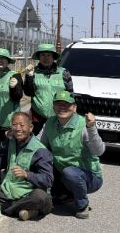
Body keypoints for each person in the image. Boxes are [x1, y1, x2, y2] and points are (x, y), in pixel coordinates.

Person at [39, 90, 104, 219]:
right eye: (58, 104)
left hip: (89, 177)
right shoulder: (50, 122)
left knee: (70, 173)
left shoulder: (83, 125)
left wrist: (91, 128)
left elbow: (99, 151)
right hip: (62, 171)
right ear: (53, 107)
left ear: (74, 108)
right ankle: (66, 194)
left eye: (66, 104)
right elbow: (39, 145)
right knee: (42, 160)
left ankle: (82, 205)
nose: (62, 107)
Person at [0, 112, 53, 221]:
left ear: (30, 127)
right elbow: (3, 163)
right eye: (14, 125)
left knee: (40, 197)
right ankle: (27, 211)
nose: (18, 128)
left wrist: (26, 174)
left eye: (22, 125)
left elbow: (48, 180)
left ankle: (6, 207)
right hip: (9, 189)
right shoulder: (10, 142)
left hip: (30, 193)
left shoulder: (40, 150)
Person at [23, 43, 73, 135]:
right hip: (38, 118)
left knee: (57, 141)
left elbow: (71, 95)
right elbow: (28, 92)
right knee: (37, 142)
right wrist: (29, 77)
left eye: (49, 55)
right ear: (39, 57)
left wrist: (69, 113)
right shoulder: (33, 72)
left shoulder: (64, 73)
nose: (46, 58)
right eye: (43, 55)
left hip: (59, 116)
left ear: (53, 57)